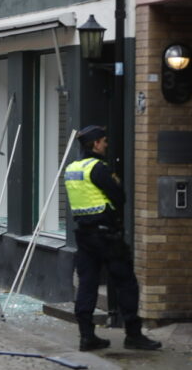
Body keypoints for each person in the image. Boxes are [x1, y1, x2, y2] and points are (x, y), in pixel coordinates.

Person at [64, 125, 161, 351]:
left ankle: (87, 336)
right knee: (126, 282)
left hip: (84, 235)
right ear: (96, 143)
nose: (106, 144)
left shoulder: (72, 168)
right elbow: (119, 196)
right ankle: (133, 335)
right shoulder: (98, 168)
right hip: (106, 235)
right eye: (104, 141)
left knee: (87, 284)